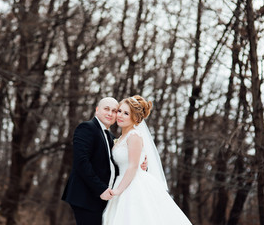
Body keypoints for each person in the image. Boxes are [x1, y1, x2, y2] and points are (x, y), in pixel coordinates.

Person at [102, 95, 193, 225]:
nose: (120, 115)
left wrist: (118, 190)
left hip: (133, 185)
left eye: (126, 113)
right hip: (122, 181)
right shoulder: (121, 138)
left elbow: (133, 166)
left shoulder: (134, 136)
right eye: (120, 111)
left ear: (135, 118)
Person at [62, 97, 147, 225]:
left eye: (114, 110)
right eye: (106, 109)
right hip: (86, 196)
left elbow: (121, 165)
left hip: (105, 198)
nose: (110, 113)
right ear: (97, 110)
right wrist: (101, 189)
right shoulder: (86, 128)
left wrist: (142, 164)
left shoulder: (112, 137)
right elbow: (81, 162)